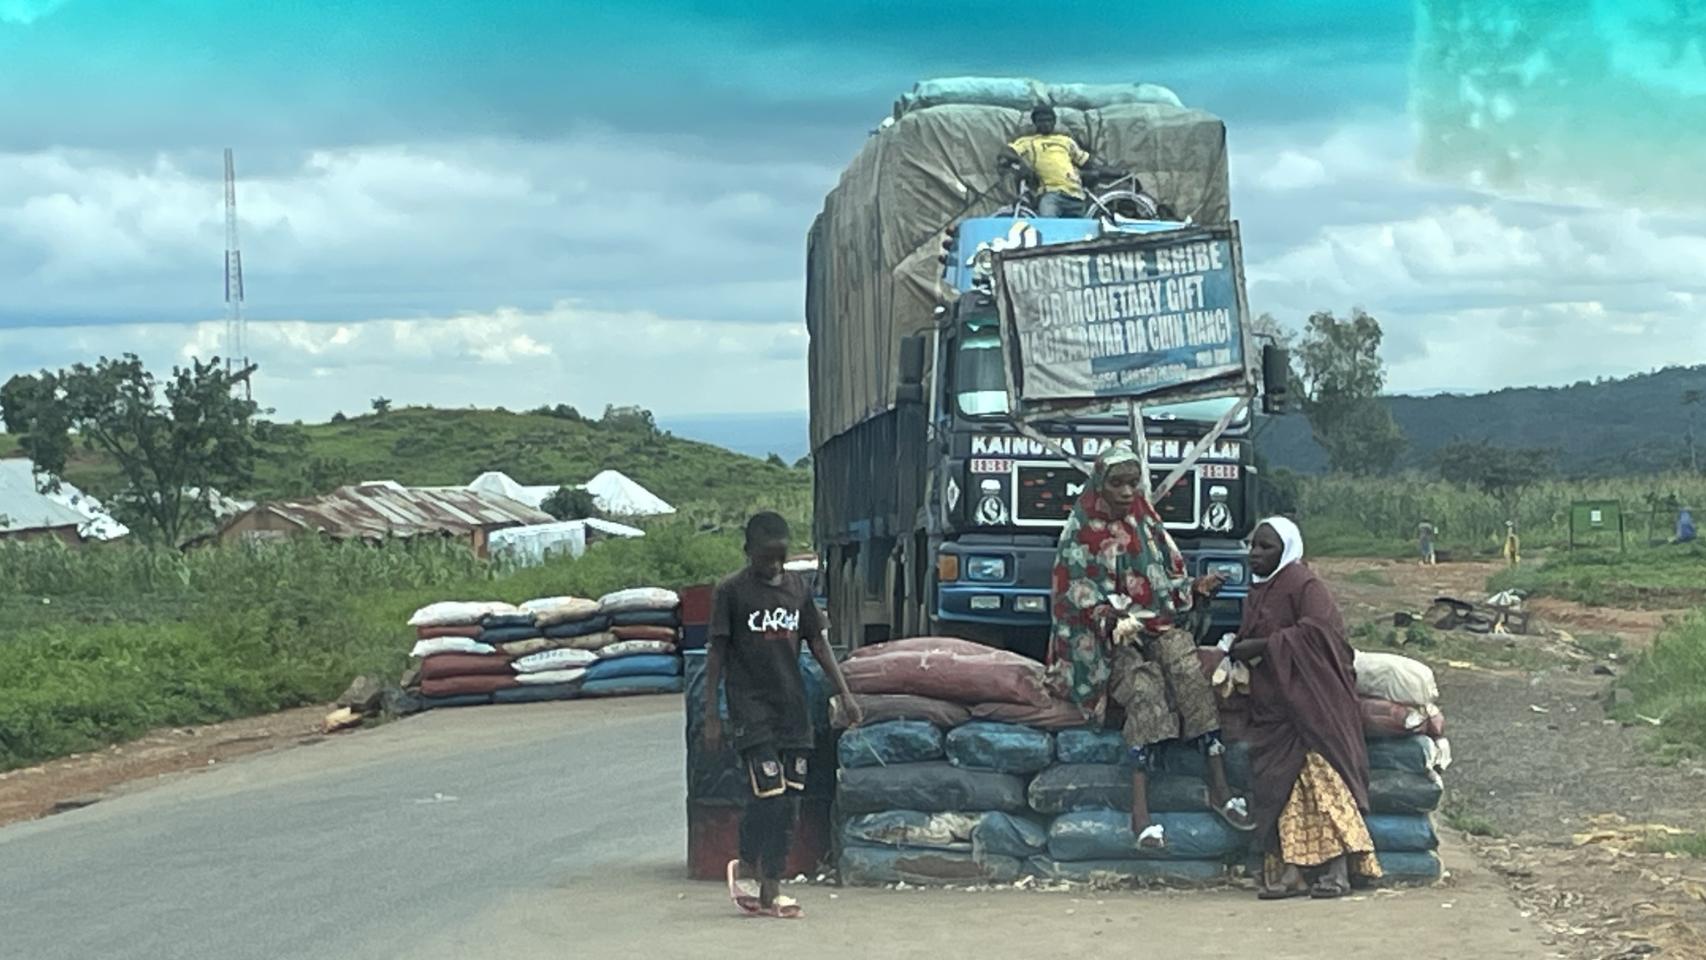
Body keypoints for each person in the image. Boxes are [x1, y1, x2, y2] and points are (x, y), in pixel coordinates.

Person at [1047, 442, 1254, 848]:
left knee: (1189, 672)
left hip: (1154, 628)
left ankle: (1219, 789)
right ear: (1099, 485)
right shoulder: (1080, 533)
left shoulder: (1147, 524)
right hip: (1106, 641)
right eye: (1117, 484)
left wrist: (1196, 587)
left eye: (1132, 483)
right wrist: (1109, 618)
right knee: (1144, 689)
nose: (1127, 493)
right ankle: (1140, 814)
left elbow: (1167, 583)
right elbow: (1074, 595)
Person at [703, 512, 862, 919]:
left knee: (790, 802)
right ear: (748, 552)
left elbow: (819, 644)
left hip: (793, 710)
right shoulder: (732, 592)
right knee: (769, 795)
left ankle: (772, 879)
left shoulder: (798, 588)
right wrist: (712, 714)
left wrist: (844, 694)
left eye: (779, 558)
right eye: (764, 559)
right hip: (751, 710)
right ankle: (753, 863)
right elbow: (717, 654)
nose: (773, 567)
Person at [1229, 517, 1379, 900]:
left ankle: (1339, 870)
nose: (1255, 554)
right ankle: (1293, 872)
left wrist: (1264, 646)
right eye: (1253, 546)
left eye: (1266, 547)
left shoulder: (1304, 584)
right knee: (1286, 792)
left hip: (1314, 702)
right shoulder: (1259, 591)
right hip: (1277, 708)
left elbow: (1321, 635)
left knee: (1324, 783)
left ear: (1287, 550)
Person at [1001, 104, 1090, 218]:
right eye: (1041, 121)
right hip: (1050, 194)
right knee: (1048, 225)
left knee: (1082, 230)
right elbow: (1006, 152)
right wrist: (1022, 163)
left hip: (1076, 194)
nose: (1046, 124)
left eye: (1049, 120)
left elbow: (1086, 162)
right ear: (1035, 123)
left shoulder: (1066, 141)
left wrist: (1115, 172)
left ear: (1054, 121)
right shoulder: (1028, 142)